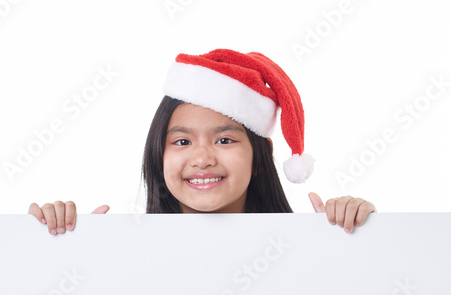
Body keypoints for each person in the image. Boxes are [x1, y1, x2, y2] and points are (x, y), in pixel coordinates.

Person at [29, 49, 376, 235]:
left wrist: (355, 237)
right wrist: (58, 246)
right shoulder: (123, 254)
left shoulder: (303, 248)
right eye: (181, 142)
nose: (202, 158)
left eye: (224, 139)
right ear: (158, 155)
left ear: (258, 159)